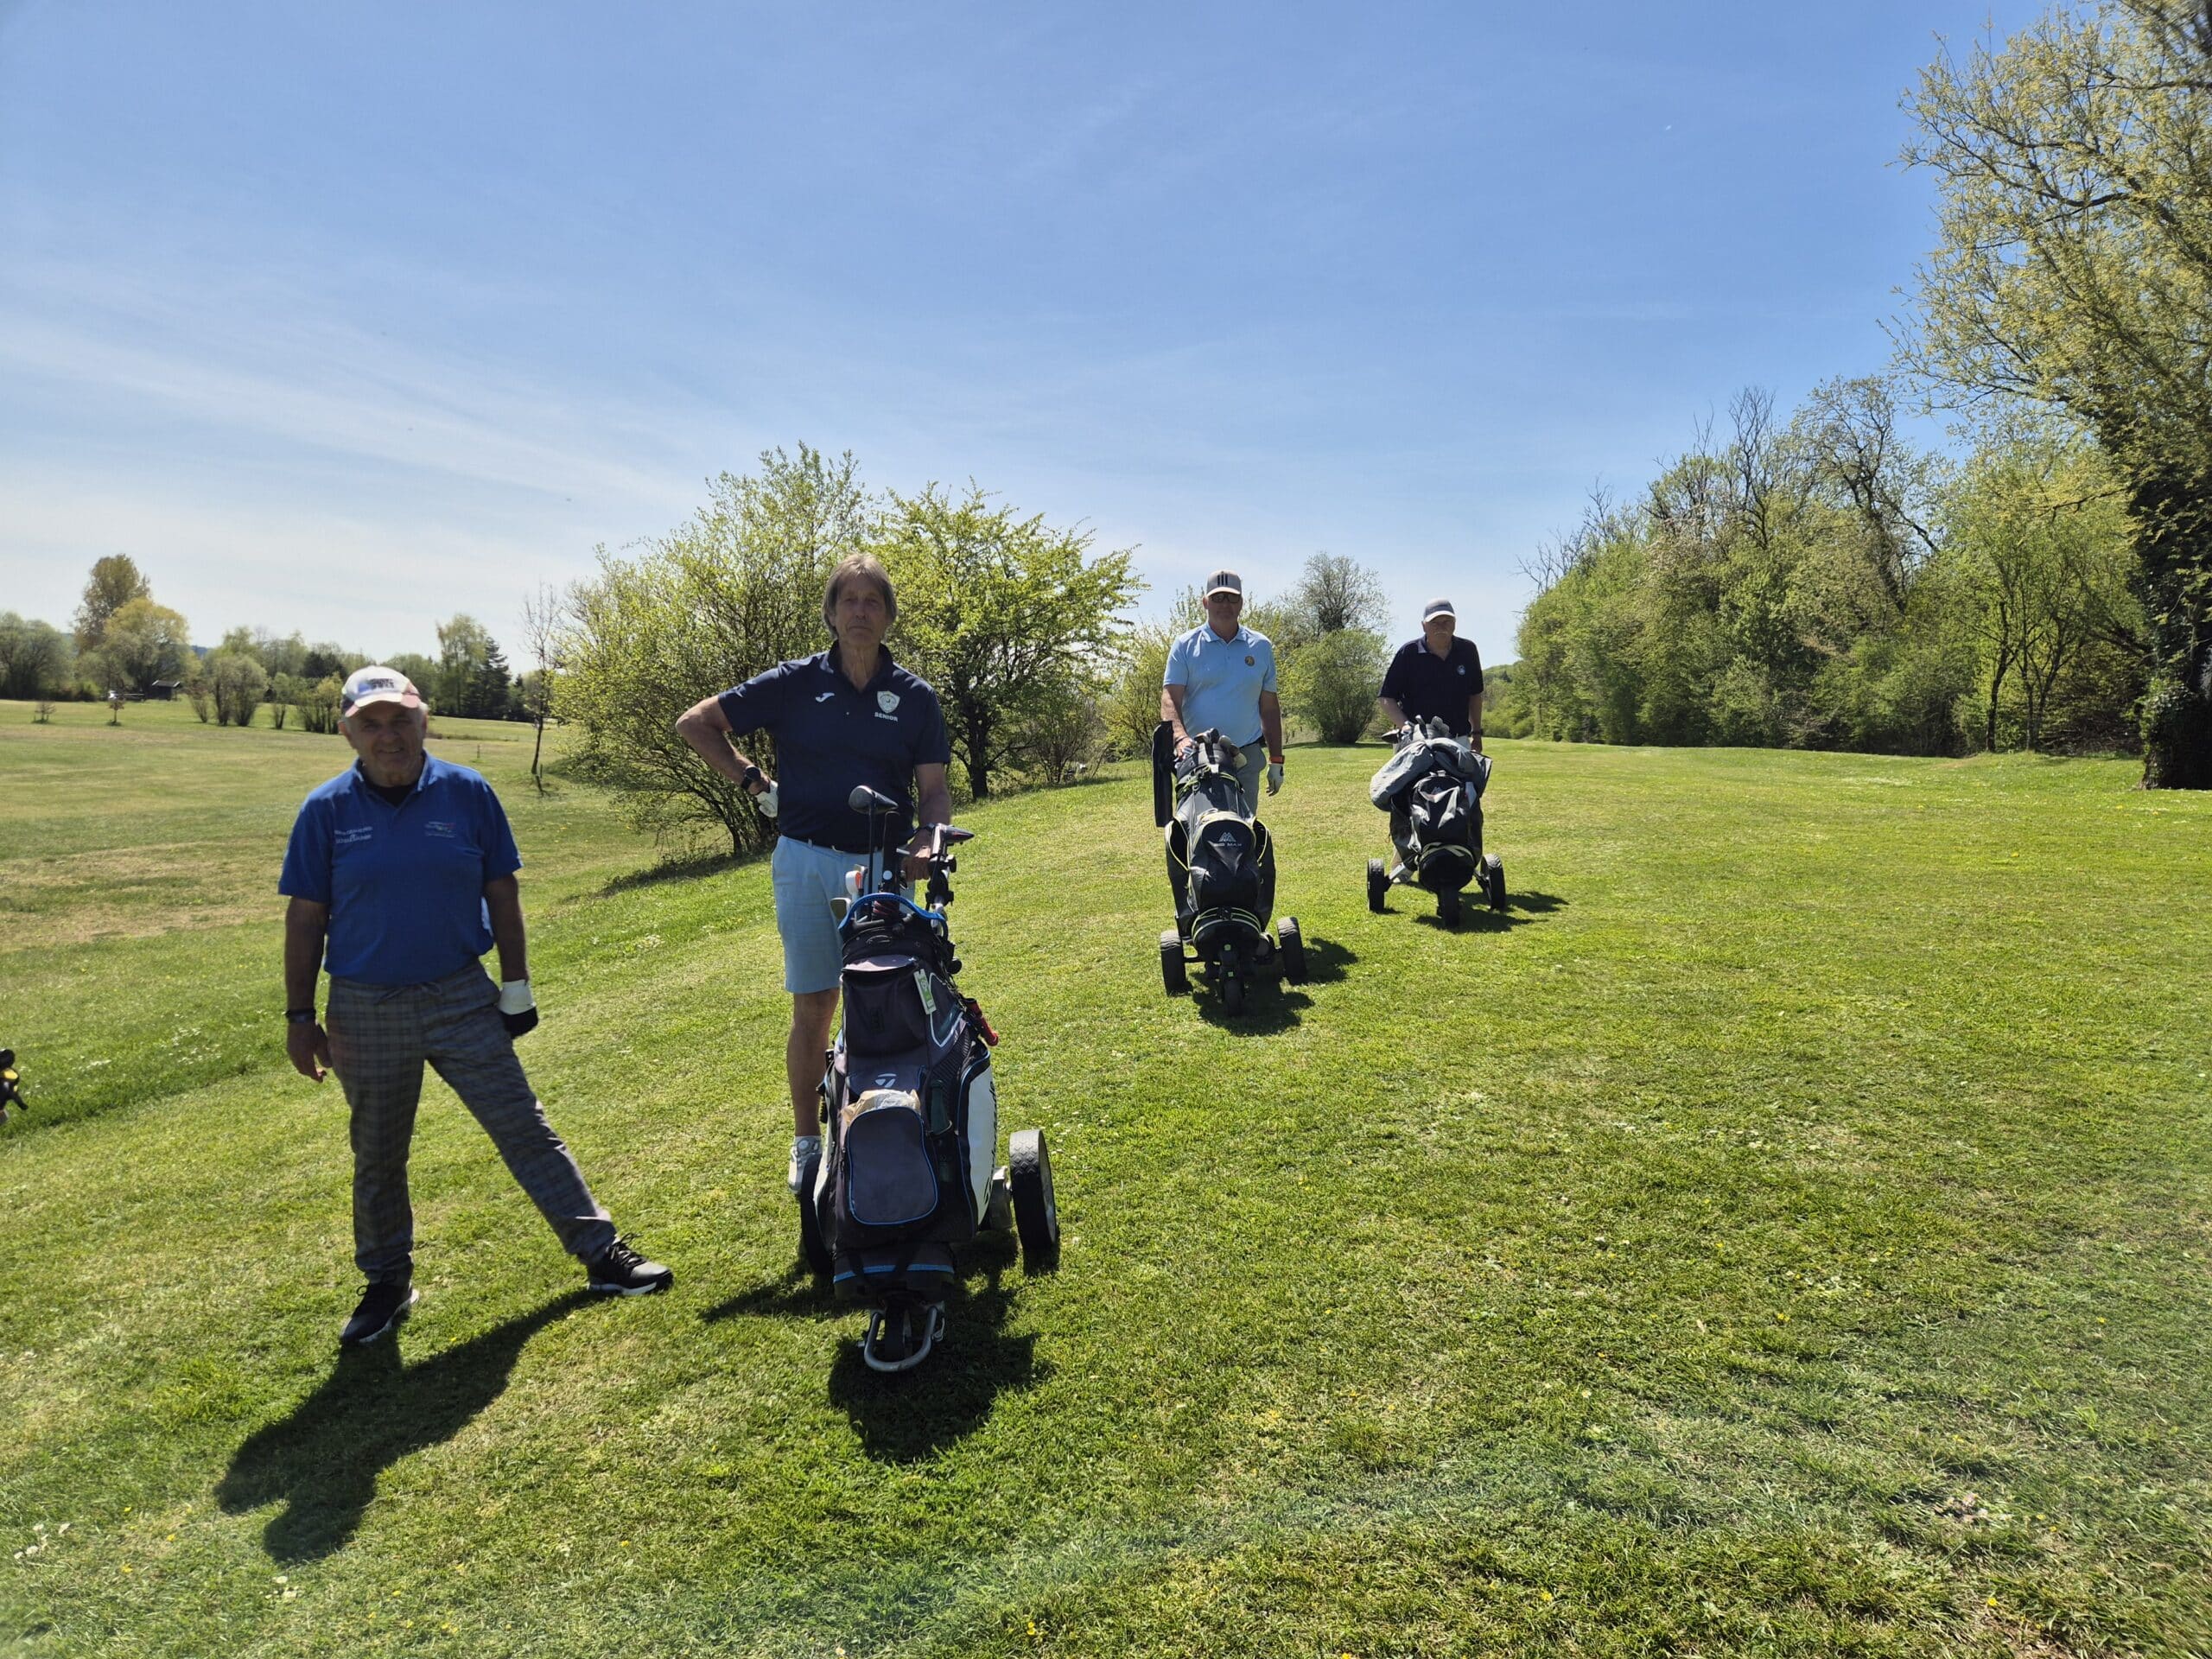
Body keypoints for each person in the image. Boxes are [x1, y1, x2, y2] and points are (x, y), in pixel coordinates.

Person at [282, 664, 671, 1348]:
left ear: (423, 721)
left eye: (400, 720)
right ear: (347, 733)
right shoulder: (325, 810)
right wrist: (299, 1017)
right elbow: (306, 917)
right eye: (371, 725)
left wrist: (516, 983)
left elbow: (502, 892)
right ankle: (387, 1283)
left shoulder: (467, 792)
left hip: (460, 992)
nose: (388, 736)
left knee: (523, 1126)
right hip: (365, 1007)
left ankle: (601, 1253)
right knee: (378, 1153)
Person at [673, 554, 954, 1198]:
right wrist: (754, 782)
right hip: (804, 858)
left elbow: (934, 789)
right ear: (830, 613)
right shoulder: (793, 682)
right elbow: (696, 723)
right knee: (815, 1003)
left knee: (887, 998)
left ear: (888, 616)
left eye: (872, 601)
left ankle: (893, 1129)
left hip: (883, 864)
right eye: (848, 600)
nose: (860, 612)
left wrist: (926, 837)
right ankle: (807, 1142)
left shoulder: (915, 697)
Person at [1159, 569, 1285, 810]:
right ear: (1205, 602)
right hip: (1198, 757)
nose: (1225, 604)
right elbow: (1170, 699)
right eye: (1217, 598)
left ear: (1242, 603)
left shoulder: (1261, 646)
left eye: (1232, 598)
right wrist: (1180, 739)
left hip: (1246, 759)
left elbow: (1269, 708)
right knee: (1201, 826)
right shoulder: (1185, 645)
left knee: (1243, 828)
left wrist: (1277, 759)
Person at [1379, 597, 1484, 747]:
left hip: (1458, 740)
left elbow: (1475, 695)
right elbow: (1386, 697)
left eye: (1447, 621)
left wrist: (1477, 733)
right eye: (1434, 622)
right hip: (1415, 741)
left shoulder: (1468, 650)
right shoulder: (1408, 652)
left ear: (1454, 623)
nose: (1441, 626)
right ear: (1424, 626)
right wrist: (1406, 727)